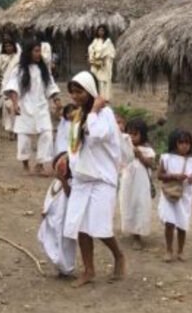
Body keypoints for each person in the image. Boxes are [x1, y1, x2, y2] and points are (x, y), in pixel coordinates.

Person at [63, 71, 125, 287]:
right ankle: (89, 270)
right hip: (82, 178)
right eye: (72, 93)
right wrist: (69, 170)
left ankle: (118, 255)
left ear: (90, 90)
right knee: (80, 225)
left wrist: (95, 111)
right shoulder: (79, 115)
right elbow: (73, 146)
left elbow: (98, 135)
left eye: (79, 91)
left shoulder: (104, 113)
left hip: (102, 178)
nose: (75, 96)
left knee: (100, 227)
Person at [5, 41, 62, 175]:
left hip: (41, 106)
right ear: (29, 52)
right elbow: (13, 87)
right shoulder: (19, 70)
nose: (38, 54)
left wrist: (56, 100)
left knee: (47, 134)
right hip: (25, 106)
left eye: (39, 51)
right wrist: (15, 103)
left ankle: (40, 164)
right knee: (24, 136)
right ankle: (25, 163)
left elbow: (50, 86)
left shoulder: (44, 69)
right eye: (36, 51)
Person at [157, 130, 192, 263]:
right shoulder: (166, 158)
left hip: (184, 195)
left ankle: (180, 251)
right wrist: (175, 176)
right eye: (181, 142)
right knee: (169, 223)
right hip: (169, 194)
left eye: (187, 142)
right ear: (174, 143)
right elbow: (159, 175)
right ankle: (169, 250)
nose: (184, 145)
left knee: (182, 223)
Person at [37, 152, 75, 278]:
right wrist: (45, 209)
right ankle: (60, 267)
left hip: (63, 219)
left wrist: (63, 180)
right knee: (49, 239)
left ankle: (66, 269)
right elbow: (50, 196)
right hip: (52, 217)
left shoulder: (71, 183)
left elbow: (69, 195)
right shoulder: (55, 182)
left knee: (64, 243)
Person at [119, 119, 155, 249]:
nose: (132, 137)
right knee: (128, 204)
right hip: (128, 182)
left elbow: (151, 164)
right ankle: (130, 229)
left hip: (141, 184)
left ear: (143, 134)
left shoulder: (147, 149)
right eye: (129, 134)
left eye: (135, 134)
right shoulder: (125, 147)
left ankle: (137, 235)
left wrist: (139, 155)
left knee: (140, 206)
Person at [0, 37, 21, 140]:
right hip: (5, 85)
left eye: (10, 45)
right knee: (8, 108)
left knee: (17, 107)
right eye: (6, 46)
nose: (8, 48)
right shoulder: (1, 57)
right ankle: (10, 131)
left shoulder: (18, 57)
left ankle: (17, 130)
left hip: (17, 85)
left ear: (14, 46)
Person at [87, 25, 116, 101]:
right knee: (95, 79)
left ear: (105, 31)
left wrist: (104, 58)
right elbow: (91, 50)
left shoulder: (108, 42)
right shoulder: (95, 41)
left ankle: (104, 97)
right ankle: (96, 96)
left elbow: (112, 53)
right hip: (96, 64)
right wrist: (93, 58)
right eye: (99, 30)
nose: (101, 32)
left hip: (104, 65)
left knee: (103, 81)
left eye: (102, 30)